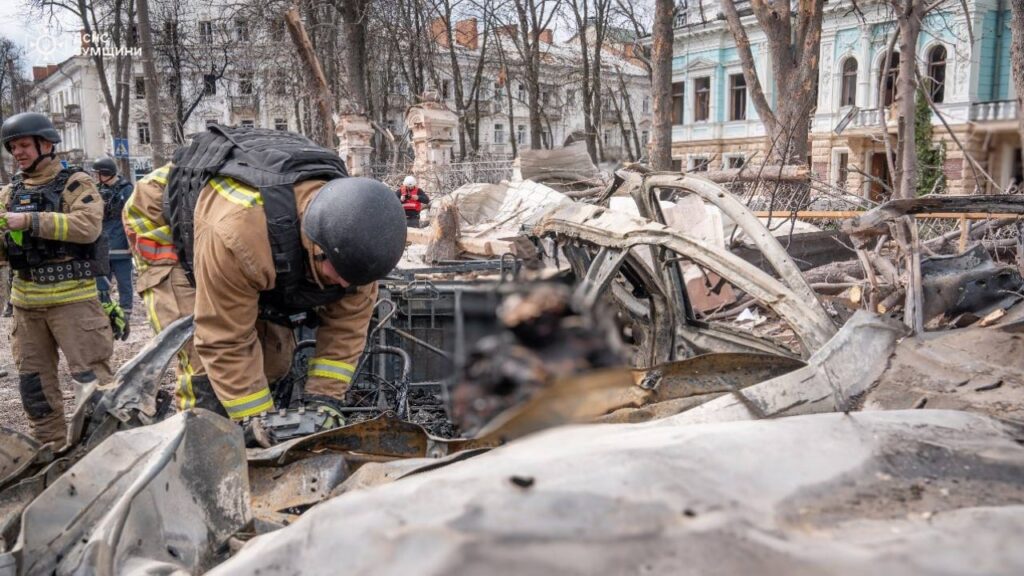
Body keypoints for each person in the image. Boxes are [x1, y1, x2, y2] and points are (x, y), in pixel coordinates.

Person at [125, 124, 406, 430]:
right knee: (203, 362)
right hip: (168, 219)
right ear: (317, 247)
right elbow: (223, 338)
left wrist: (324, 402)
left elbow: (346, 331)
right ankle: (198, 446)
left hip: (257, 238)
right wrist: (257, 421)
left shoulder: (356, 251)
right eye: (339, 276)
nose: (345, 286)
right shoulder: (241, 236)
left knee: (274, 360)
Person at [0, 112, 114, 445]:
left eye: (24, 145)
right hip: (26, 305)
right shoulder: (8, 194)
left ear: (46, 144)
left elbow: (88, 227)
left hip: (74, 304)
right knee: (34, 384)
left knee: (93, 379)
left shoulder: (76, 183)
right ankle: (49, 447)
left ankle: (105, 446)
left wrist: (30, 221)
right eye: (12, 147)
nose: (17, 152)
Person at [92, 157, 133, 339]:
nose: (95, 176)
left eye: (97, 173)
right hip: (103, 246)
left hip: (122, 246)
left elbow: (132, 218)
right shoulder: (97, 190)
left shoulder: (127, 190)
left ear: (105, 173)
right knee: (102, 284)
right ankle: (105, 313)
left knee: (124, 283)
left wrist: (132, 243)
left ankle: (126, 315)